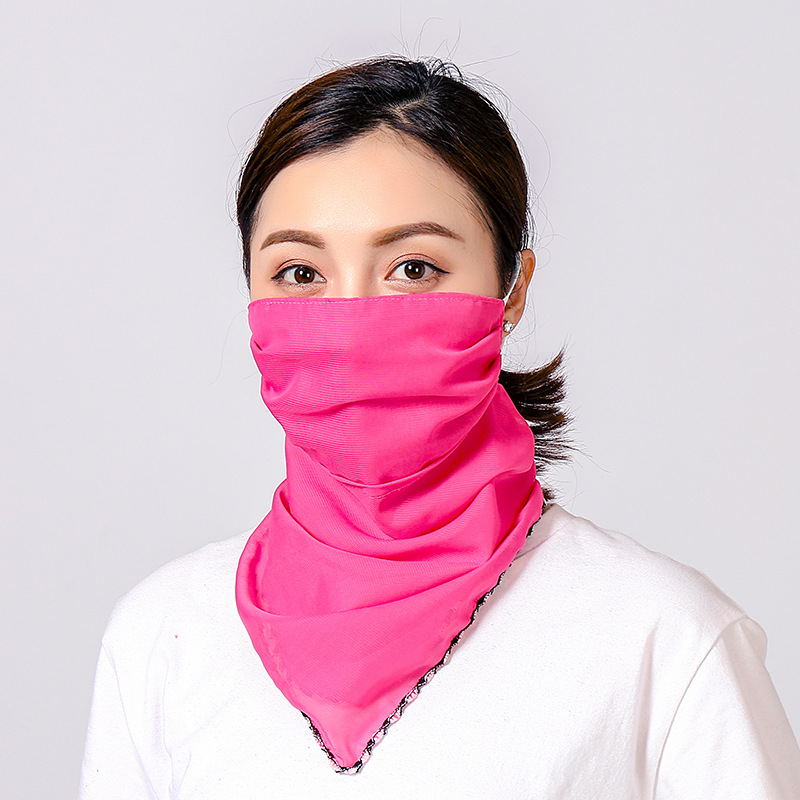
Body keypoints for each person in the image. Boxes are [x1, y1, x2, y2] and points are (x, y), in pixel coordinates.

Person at [80, 55, 800, 799]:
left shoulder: (666, 639)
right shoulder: (160, 634)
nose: (352, 323)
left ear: (511, 290)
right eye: (300, 273)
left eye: (414, 268)